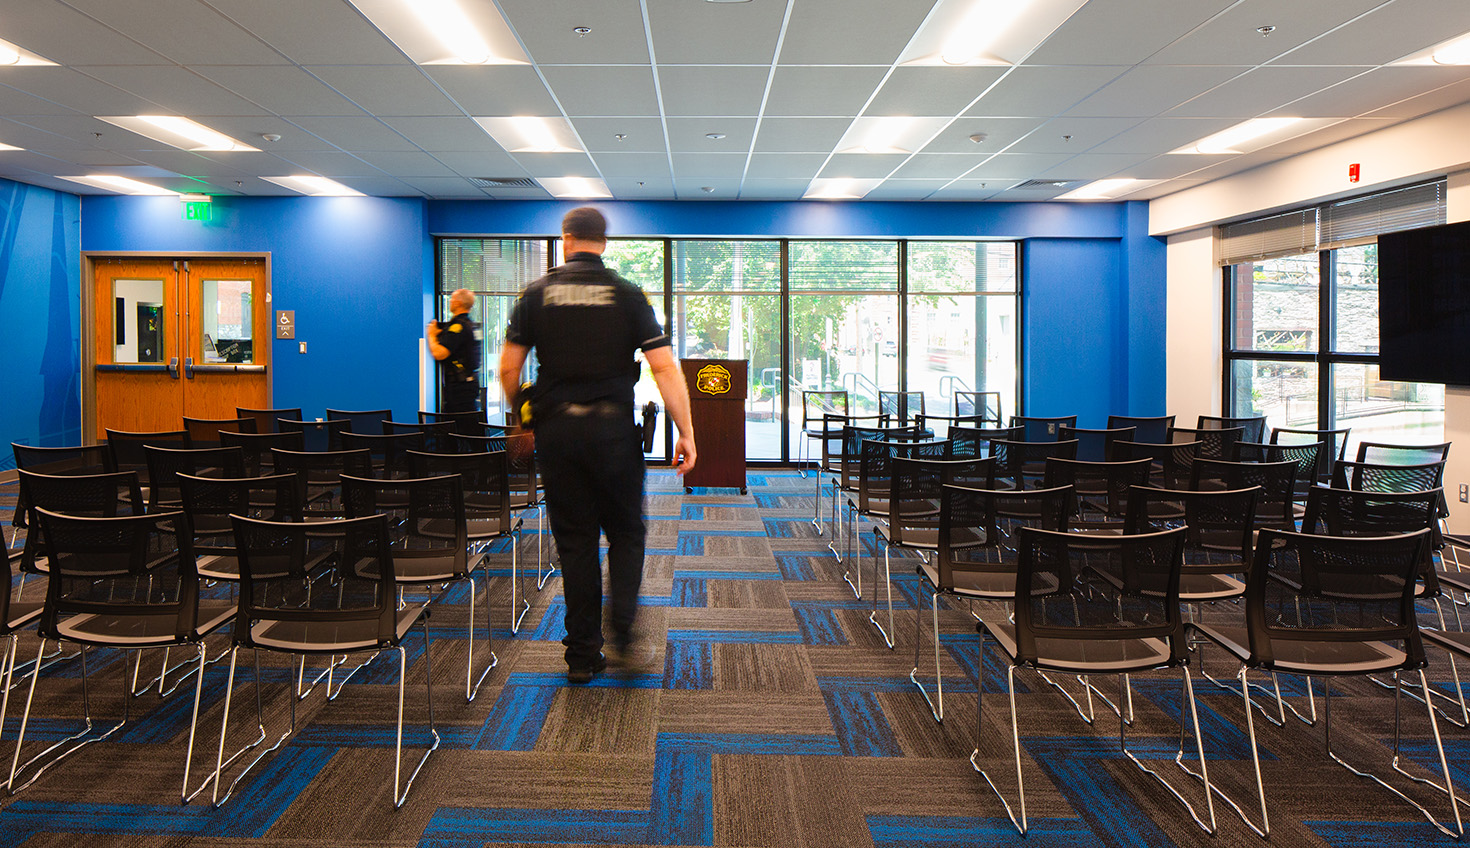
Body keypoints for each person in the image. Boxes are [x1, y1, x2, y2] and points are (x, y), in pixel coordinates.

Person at [499, 207, 696, 684]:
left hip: (558, 435)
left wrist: (523, 422)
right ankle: (624, 636)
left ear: (566, 239)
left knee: (576, 543)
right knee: (627, 534)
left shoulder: (536, 294)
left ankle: (583, 655)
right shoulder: (628, 294)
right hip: (612, 434)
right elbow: (664, 368)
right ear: (603, 243)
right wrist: (686, 432)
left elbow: (509, 368)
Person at [426, 288, 481, 414]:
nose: (450, 301)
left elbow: (440, 353)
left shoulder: (458, 326)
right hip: (466, 385)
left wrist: (431, 335)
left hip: (460, 389)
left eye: (452, 298)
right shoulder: (469, 324)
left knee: (459, 426)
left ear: (458, 303)